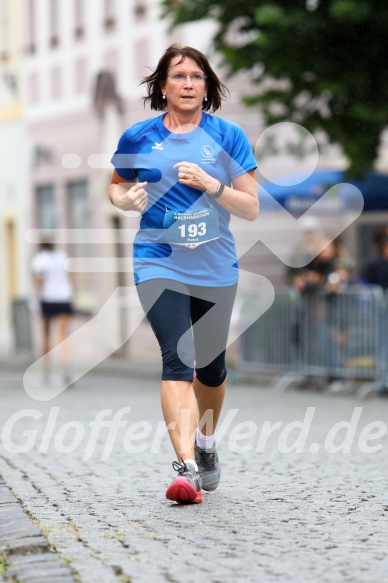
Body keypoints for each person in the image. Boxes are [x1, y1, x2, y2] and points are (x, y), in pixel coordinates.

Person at [109, 44, 258, 504]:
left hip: (215, 267)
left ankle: (206, 443)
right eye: (179, 76)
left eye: (197, 76)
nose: (189, 84)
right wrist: (126, 200)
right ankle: (187, 468)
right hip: (158, 262)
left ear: (207, 86)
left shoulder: (228, 135)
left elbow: (251, 207)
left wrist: (214, 185)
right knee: (177, 359)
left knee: (210, 370)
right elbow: (116, 189)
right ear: (162, 86)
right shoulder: (138, 137)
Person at [32, 240, 74, 384]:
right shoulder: (62, 256)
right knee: (63, 335)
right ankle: (65, 366)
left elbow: (39, 281)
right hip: (64, 298)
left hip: (48, 299)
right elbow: (71, 278)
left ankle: (46, 369)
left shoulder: (40, 259)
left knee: (46, 335)